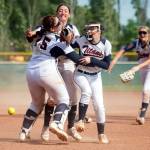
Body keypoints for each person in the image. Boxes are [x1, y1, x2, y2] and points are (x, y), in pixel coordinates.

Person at [71, 22, 112, 144]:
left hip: (96, 77)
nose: (89, 31)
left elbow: (107, 65)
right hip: (81, 73)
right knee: (86, 91)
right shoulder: (82, 39)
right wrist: (67, 36)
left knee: (99, 105)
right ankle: (80, 120)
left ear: (99, 31)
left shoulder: (105, 44)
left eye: (92, 29)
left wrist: (91, 59)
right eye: (87, 29)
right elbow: (68, 43)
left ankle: (101, 134)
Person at [108, 26, 150, 125]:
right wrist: (113, 61)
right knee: (146, 92)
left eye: (144, 33)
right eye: (140, 33)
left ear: (148, 34)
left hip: (147, 68)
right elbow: (123, 49)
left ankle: (142, 116)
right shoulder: (136, 43)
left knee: (146, 90)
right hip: (142, 69)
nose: (142, 35)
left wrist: (137, 67)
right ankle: (143, 112)